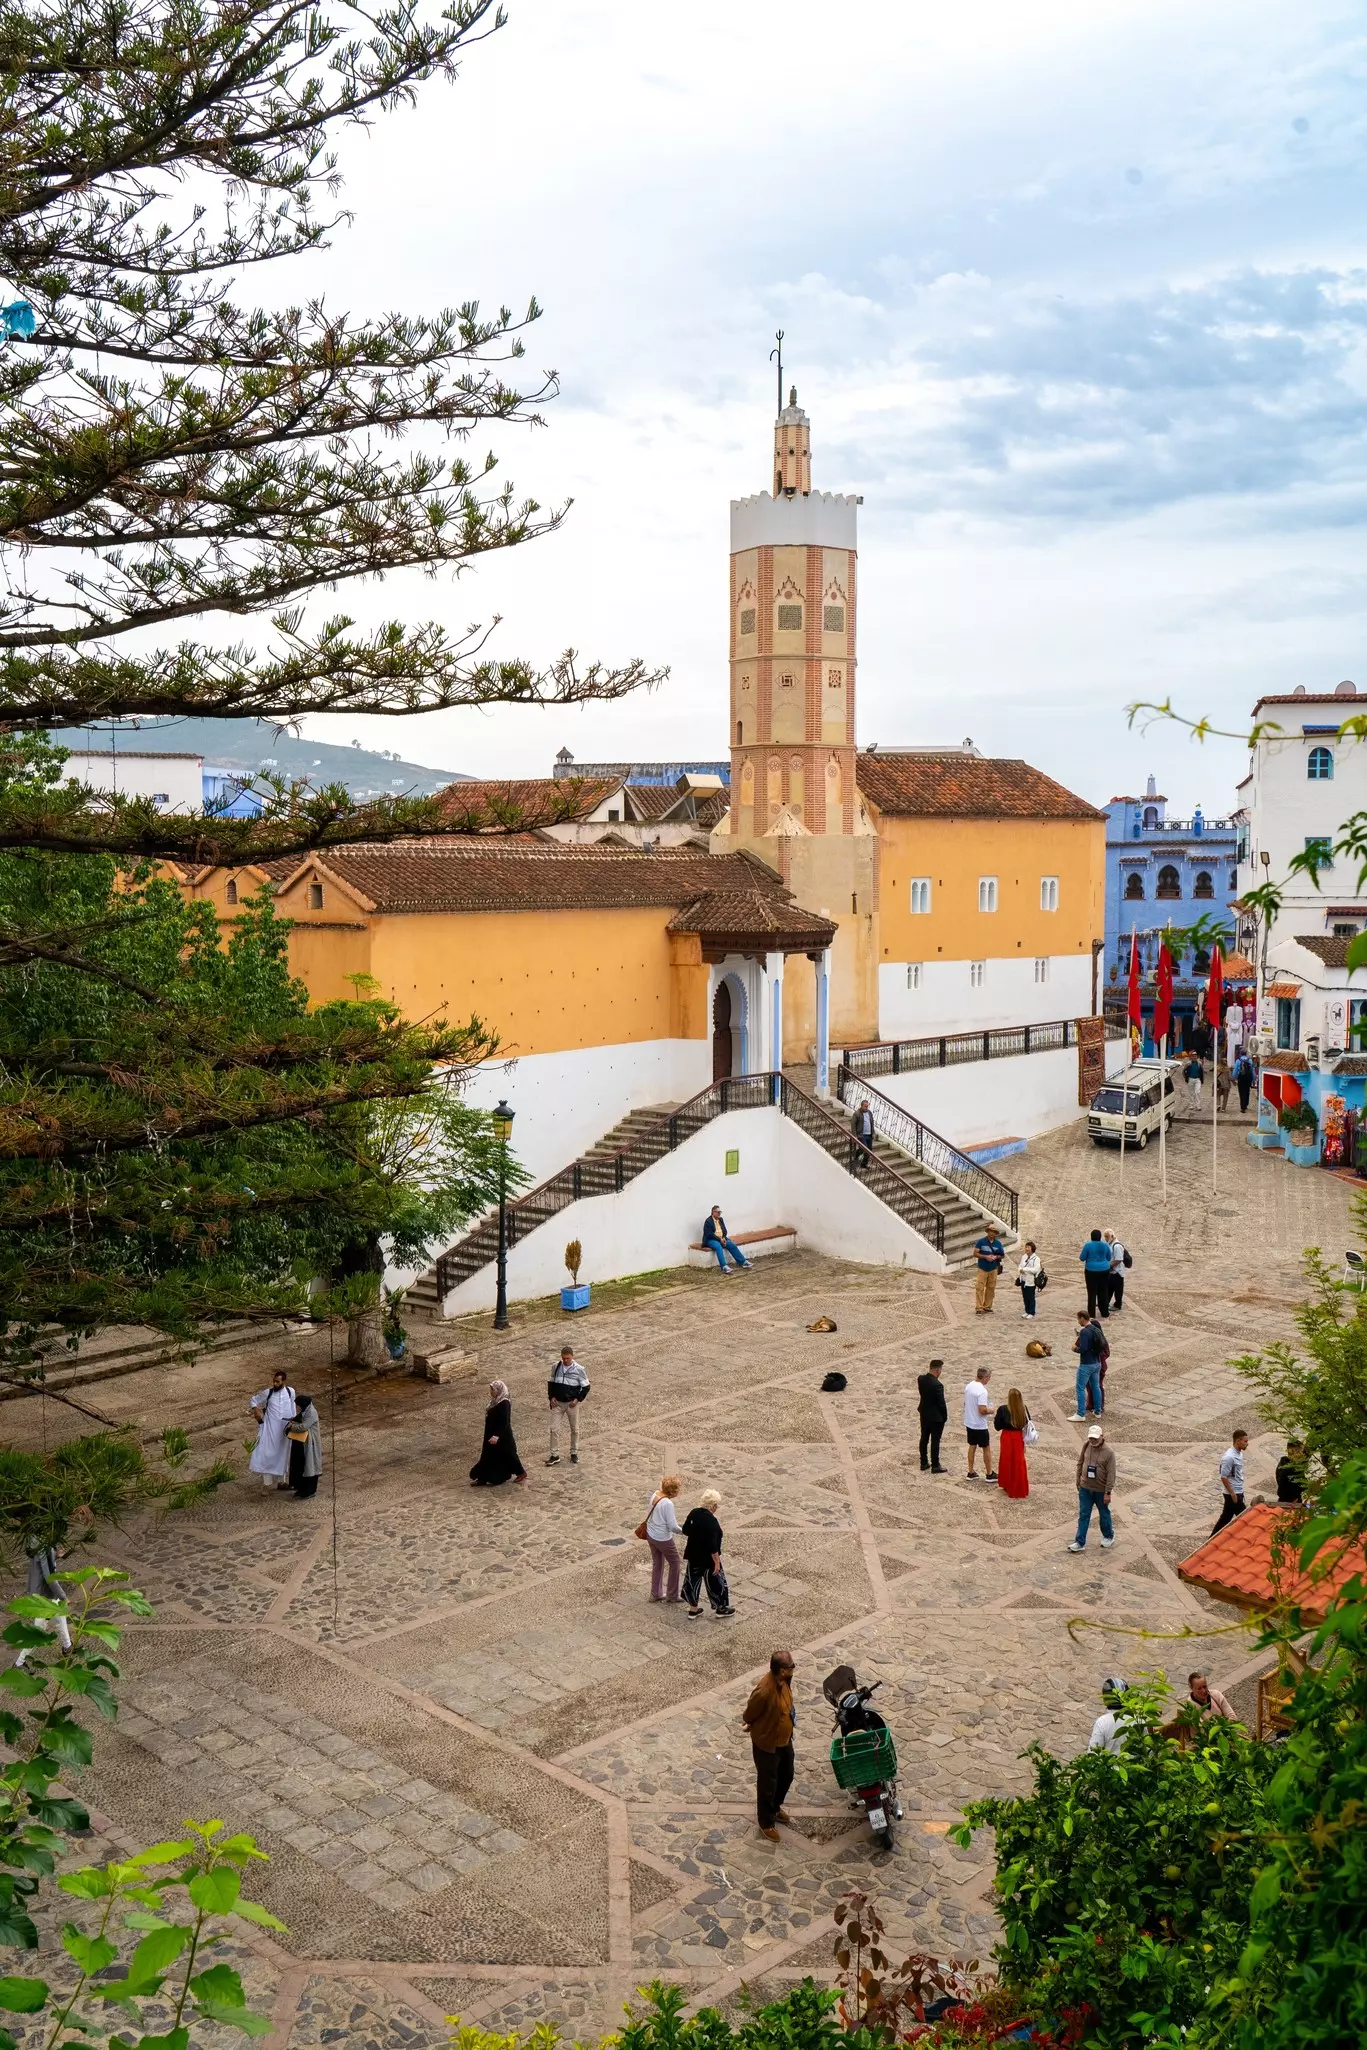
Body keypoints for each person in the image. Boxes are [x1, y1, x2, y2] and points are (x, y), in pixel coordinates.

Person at [742, 1649, 796, 1841]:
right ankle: (766, 1822)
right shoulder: (764, 1691)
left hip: (784, 1740)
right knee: (767, 1784)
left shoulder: (786, 1681)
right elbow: (749, 1713)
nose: (793, 1670)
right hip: (767, 1744)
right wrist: (751, 1724)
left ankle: (775, 1807)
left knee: (787, 1775)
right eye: (791, 1667)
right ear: (781, 1671)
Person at [14, 1537, 73, 1667]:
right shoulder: (43, 1546)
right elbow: (49, 1577)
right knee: (39, 1629)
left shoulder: (37, 1539)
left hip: (45, 1592)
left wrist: (56, 1554)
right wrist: (63, 1596)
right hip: (44, 1596)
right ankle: (19, 1663)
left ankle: (67, 1645)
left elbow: (43, 1565)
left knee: (60, 1614)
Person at [682, 1488, 733, 1616]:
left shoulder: (693, 1513)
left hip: (693, 1554)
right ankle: (720, 1607)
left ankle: (693, 1609)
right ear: (714, 1505)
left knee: (693, 1580)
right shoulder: (712, 1522)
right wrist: (717, 1562)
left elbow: (685, 1530)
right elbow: (713, 1546)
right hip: (708, 1558)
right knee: (716, 1582)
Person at [469, 1379, 528, 1486]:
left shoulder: (504, 1403)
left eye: (493, 1390)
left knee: (509, 1454)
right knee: (488, 1456)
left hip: (502, 1436)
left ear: (499, 1390)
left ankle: (521, 1472)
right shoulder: (495, 1401)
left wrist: (496, 1436)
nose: (491, 1392)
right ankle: (482, 1477)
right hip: (491, 1433)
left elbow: (504, 1421)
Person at [1069, 1424, 1116, 1552]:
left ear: (1102, 1436)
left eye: (1095, 1438)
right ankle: (1080, 1542)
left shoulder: (1109, 1452)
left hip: (1100, 1490)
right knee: (1083, 1515)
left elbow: (1111, 1474)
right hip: (1085, 1488)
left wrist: (1108, 1492)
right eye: (1091, 1438)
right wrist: (1078, 1480)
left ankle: (1108, 1535)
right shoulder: (1087, 1445)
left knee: (1104, 1513)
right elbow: (1080, 1462)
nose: (1093, 1441)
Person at [249, 1368, 296, 1490]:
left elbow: (293, 1409)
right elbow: (253, 1400)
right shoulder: (268, 1393)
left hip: (284, 1430)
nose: (275, 1384)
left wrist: (294, 1424)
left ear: (284, 1381)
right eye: (274, 1381)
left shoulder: (291, 1392)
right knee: (267, 1454)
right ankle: (266, 1485)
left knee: (283, 1454)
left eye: (278, 1382)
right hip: (269, 1430)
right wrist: (256, 1410)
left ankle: (281, 1482)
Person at [546, 1344, 590, 1465]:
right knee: (554, 1429)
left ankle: (574, 1452)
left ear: (572, 1357)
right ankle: (554, 1454)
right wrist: (551, 1397)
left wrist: (577, 1399)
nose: (565, 1360)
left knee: (574, 1429)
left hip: (571, 1403)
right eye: (564, 1358)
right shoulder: (556, 1367)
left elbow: (586, 1386)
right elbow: (551, 1383)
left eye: (568, 1358)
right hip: (558, 1403)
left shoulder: (579, 1369)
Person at [644, 1476, 683, 1602]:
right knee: (675, 1562)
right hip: (662, 1537)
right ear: (673, 1491)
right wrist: (686, 1531)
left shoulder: (656, 1494)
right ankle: (672, 1595)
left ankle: (655, 1593)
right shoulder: (667, 1503)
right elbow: (672, 1526)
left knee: (658, 1563)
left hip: (651, 1534)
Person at [1069, 1310, 1107, 1421]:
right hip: (1097, 1363)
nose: (1078, 1321)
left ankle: (1080, 1414)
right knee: (1096, 1387)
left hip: (1086, 1364)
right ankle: (1098, 1411)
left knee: (1080, 1388)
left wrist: (1075, 1349)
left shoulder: (1085, 1331)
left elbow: (1083, 1349)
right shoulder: (1096, 1329)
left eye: (1078, 1319)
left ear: (1082, 1318)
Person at [994, 1387, 1030, 1499]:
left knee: (1007, 1461)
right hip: (1019, 1437)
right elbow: (1027, 1424)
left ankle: (1007, 1484)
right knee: (1018, 1462)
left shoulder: (1003, 1409)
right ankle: (1019, 1487)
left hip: (1007, 1437)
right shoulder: (1023, 1409)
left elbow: (997, 1426)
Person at [1211, 1430, 1249, 1535]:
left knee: (1225, 1519)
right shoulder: (1229, 1457)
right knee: (1246, 1518)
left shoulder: (1239, 1454)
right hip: (1233, 1494)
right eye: (1245, 1441)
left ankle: (1212, 1538)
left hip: (1238, 1491)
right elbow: (1223, 1476)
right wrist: (1232, 1494)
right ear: (1238, 1441)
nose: (1247, 1443)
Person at [286, 1393, 322, 1499]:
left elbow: (304, 1426)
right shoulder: (306, 1410)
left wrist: (292, 1427)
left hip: (310, 1443)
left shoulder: (311, 1412)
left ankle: (309, 1491)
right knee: (301, 1465)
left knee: (310, 1466)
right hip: (303, 1443)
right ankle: (301, 1488)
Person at [963, 1367, 995, 1480]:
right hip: (979, 1425)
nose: (989, 1380)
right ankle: (989, 1473)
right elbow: (982, 1410)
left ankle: (970, 1471)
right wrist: (992, 1410)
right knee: (986, 1447)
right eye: (989, 1377)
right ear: (985, 1377)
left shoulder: (969, 1385)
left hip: (969, 1422)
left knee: (972, 1445)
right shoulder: (982, 1391)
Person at [917, 1358, 948, 1472]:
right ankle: (935, 1465)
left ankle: (923, 1462)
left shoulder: (921, 1379)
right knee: (935, 1441)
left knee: (924, 1438)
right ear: (938, 1370)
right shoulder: (938, 1385)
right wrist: (945, 1416)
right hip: (936, 1417)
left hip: (924, 1413)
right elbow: (941, 1403)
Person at [702, 1205, 751, 1274]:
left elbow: (725, 1230)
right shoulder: (708, 1221)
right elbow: (709, 1234)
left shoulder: (720, 1219)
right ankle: (724, 1267)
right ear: (713, 1212)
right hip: (711, 1240)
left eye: (720, 1212)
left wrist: (724, 1238)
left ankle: (743, 1262)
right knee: (718, 1247)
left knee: (731, 1244)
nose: (719, 1214)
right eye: (718, 1212)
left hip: (721, 1238)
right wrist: (720, 1240)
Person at [1088, 1676, 1132, 1752]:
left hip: (1110, 1763)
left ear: (1105, 1699)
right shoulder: (1138, 1720)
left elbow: (1093, 1753)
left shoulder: (1102, 1722)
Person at [1079, 1229, 1112, 1318]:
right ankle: (1104, 1312)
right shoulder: (1105, 1245)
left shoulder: (1088, 1245)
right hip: (1104, 1270)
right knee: (1103, 1291)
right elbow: (1109, 1258)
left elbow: (1082, 1258)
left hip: (1091, 1271)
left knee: (1092, 1292)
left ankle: (1091, 1314)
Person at [974, 1229, 1005, 1314]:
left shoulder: (998, 1244)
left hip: (993, 1269)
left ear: (996, 1234)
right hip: (982, 1268)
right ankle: (979, 1307)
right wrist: (985, 1257)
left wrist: (996, 1257)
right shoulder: (981, 1242)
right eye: (990, 1231)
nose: (991, 1233)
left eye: (994, 1232)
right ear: (987, 1232)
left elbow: (1002, 1256)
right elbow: (975, 1253)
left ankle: (987, 1306)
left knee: (991, 1288)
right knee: (979, 1288)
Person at [1103, 1229, 1128, 1314]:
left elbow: (1118, 1259)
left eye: (1107, 1236)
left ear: (1112, 1236)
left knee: (1118, 1290)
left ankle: (1118, 1305)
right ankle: (1105, 1303)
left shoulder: (1116, 1246)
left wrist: (1109, 1266)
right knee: (1109, 1288)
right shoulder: (1110, 1244)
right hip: (1112, 1272)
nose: (1106, 1238)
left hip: (1117, 1272)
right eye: (1105, 1236)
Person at [1016, 1241, 1042, 1319]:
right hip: (1023, 1280)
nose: (1026, 1249)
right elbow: (1020, 1265)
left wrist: (1025, 1269)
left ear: (1032, 1248)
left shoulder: (1036, 1259)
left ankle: (1031, 1312)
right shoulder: (1024, 1256)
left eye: (1028, 1247)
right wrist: (1020, 1269)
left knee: (1030, 1297)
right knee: (1025, 1297)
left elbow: (1036, 1270)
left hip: (1031, 1281)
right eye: (1026, 1247)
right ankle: (1027, 1311)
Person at [1276, 1440, 1307, 1504]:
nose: (1301, 1454)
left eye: (1302, 1452)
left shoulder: (1294, 1465)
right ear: (1290, 1452)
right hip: (1290, 1503)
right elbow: (1281, 1491)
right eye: (1298, 1452)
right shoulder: (1286, 1470)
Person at [850, 1099, 875, 1173]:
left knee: (869, 1150)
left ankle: (863, 1164)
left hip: (869, 1134)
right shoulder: (857, 1113)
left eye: (867, 1106)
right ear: (861, 1106)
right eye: (865, 1106)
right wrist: (855, 1135)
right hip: (861, 1135)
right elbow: (853, 1125)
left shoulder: (869, 1113)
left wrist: (873, 1132)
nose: (866, 1108)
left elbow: (872, 1123)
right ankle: (856, 1156)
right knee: (865, 1149)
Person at [1233, 1049, 1255, 1114]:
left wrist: (1234, 1078)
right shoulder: (1250, 1060)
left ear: (1240, 1054)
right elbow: (1252, 1070)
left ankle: (1242, 1107)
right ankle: (1246, 1104)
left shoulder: (1238, 1061)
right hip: (1248, 1078)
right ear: (1246, 1054)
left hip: (1241, 1078)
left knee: (1241, 1092)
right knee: (1247, 1091)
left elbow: (1235, 1070)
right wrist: (1253, 1079)